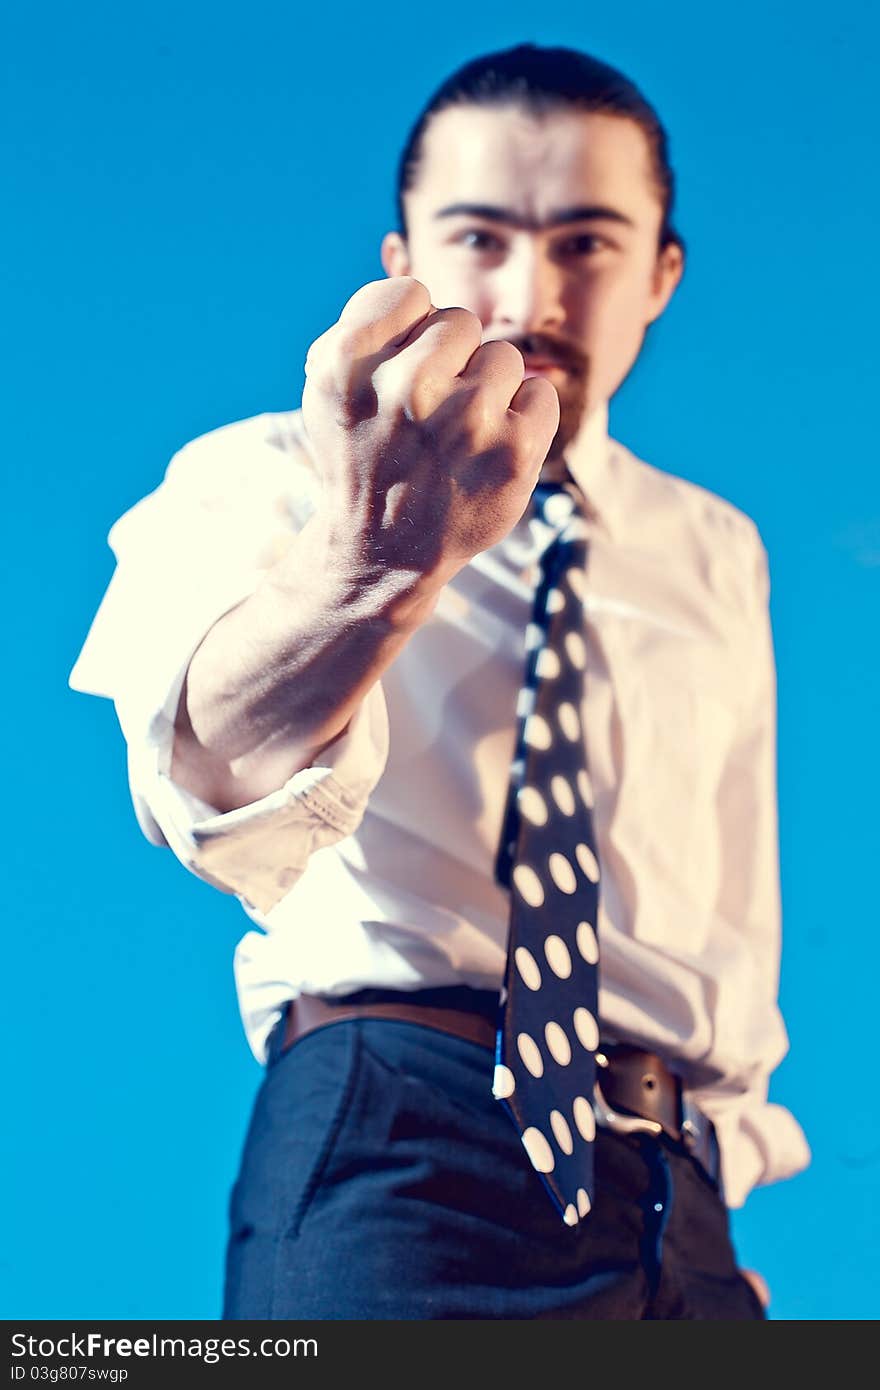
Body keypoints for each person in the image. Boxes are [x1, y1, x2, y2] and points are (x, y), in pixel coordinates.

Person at [69, 42, 810, 1319]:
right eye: (478, 238)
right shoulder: (266, 480)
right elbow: (199, 777)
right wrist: (374, 561)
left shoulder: (715, 549)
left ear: (660, 276)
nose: (530, 294)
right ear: (402, 262)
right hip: (397, 1150)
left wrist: (708, 1205)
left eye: (587, 243)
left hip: (665, 1199)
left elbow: (726, 914)